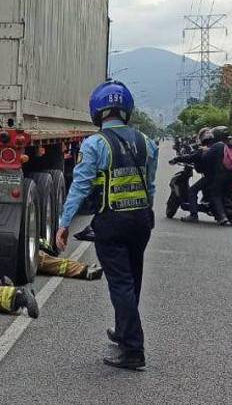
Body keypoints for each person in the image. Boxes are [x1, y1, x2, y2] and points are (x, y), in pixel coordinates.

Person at [54, 80, 157, 370]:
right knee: (132, 279)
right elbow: (150, 185)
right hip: (141, 221)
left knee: (120, 283)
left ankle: (133, 350)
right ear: (127, 110)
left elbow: (80, 187)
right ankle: (124, 332)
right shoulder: (146, 141)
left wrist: (63, 223)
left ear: (97, 111)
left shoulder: (95, 144)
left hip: (112, 223)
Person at [176, 127, 228, 224]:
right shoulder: (227, 146)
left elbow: (193, 158)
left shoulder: (208, 149)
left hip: (213, 176)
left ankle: (194, 215)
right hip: (230, 176)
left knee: (192, 190)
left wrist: (177, 159)